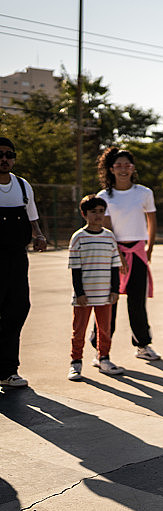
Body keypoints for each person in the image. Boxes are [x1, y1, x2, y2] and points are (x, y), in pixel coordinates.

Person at [93, 147, 161, 361]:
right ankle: (101, 350)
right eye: (118, 165)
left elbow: (151, 221)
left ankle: (142, 345)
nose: (123, 169)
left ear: (133, 168)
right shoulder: (104, 196)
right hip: (112, 254)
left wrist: (149, 248)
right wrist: (118, 256)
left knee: (137, 302)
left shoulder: (144, 193)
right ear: (111, 169)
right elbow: (107, 228)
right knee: (109, 303)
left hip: (138, 252)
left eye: (127, 165)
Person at [0, 137, 47, 388]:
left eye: (9, 154)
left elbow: (32, 217)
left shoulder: (22, 184)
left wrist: (38, 235)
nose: (4, 158)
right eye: (0, 154)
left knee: (17, 309)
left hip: (18, 258)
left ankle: (8, 370)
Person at [68, 195, 123, 380]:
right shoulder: (78, 238)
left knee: (105, 329)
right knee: (79, 331)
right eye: (93, 212)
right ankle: (76, 363)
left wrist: (115, 290)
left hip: (105, 295)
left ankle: (104, 358)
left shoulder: (109, 236)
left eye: (101, 211)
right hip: (84, 296)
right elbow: (75, 268)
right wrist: (79, 293)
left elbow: (115, 265)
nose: (98, 215)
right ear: (84, 214)